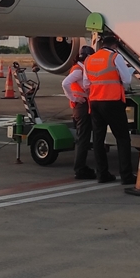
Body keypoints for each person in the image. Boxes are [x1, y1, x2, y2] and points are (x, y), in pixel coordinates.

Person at [85, 34, 136, 185]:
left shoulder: (90, 59)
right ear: (115, 46)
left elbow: (86, 83)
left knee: (98, 140)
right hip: (112, 101)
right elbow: (127, 80)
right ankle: (126, 175)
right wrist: (130, 70)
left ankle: (102, 174)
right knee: (122, 138)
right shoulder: (115, 57)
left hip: (95, 102)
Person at [61, 44, 96, 180]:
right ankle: (80, 169)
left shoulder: (80, 68)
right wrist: (74, 98)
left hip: (82, 107)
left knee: (83, 138)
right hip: (81, 107)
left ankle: (81, 167)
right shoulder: (79, 70)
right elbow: (65, 83)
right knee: (82, 139)